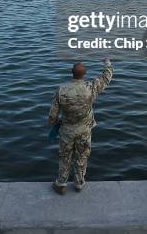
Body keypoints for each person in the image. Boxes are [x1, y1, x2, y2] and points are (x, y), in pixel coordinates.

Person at [48, 58, 113, 194]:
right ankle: (78, 183)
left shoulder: (61, 90)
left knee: (65, 157)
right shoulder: (91, 87)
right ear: (85, 74)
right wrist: (107, 64)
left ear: (71, 72)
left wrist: (54, 124)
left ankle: (61, 183)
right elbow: (106, 78)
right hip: (84, 130)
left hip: (66, 131)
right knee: (82, 157)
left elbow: (53, 115)